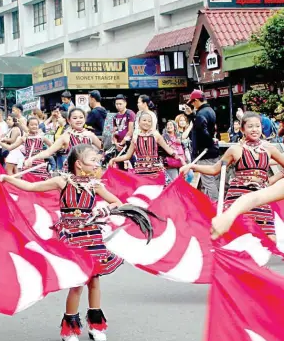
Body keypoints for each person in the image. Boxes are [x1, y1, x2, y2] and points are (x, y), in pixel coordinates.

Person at [3, 144, 125, 341]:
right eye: (93, 160)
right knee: (77, 282)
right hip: (72, 236)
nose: (97, 163)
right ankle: (70, 329)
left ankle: (96, 326)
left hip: (92, 235)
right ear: (79, 164)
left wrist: (104, 211)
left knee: (94, 280)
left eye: (97, 160)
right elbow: (31, 187)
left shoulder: (95, 185)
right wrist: (7, 178)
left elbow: (116, 203)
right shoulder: (62, 181)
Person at [183, 111, 284, 240]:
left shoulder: (269, 148)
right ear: (242, 129)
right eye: (250, 126)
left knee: (270, 240)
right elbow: (214, 169)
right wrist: (192, 166)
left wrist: (273, 179)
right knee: (235, 239)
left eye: (257, 126)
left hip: (260, 198)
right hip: (238, 197)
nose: (254, 129)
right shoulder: (235, 149)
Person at [25, 107, 101, 172]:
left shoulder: (90, 135)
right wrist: (32, 158)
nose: (78, 120)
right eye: (75, 118)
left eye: (81, 117)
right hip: (71, 173)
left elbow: (104, 148)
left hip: (89, 172)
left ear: (85, 119)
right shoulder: (66, 136)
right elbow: (48, 152)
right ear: (69, 120)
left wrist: (97, 158)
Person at [109, 110, 178, 178]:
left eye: (149, 121)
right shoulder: (135, 138)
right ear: (139, 122)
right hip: (140, 173)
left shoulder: (156, 135)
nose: (147, 123)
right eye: (144, 120)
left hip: (156, 172)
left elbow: (168, 149)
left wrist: (177, 156)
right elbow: (127, 156)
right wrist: (114, 159)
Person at [187, 89, 220, 200]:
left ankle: (215, 205)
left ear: (196, 100)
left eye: (192, 102)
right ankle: (212, 203)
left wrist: (210, 142)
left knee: (208, 181)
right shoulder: (210, 110)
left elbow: (202, 131)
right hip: (213, 151)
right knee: (213, 180)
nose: (192, 105)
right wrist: (192, 116)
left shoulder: (201, 113)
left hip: (205, 152)